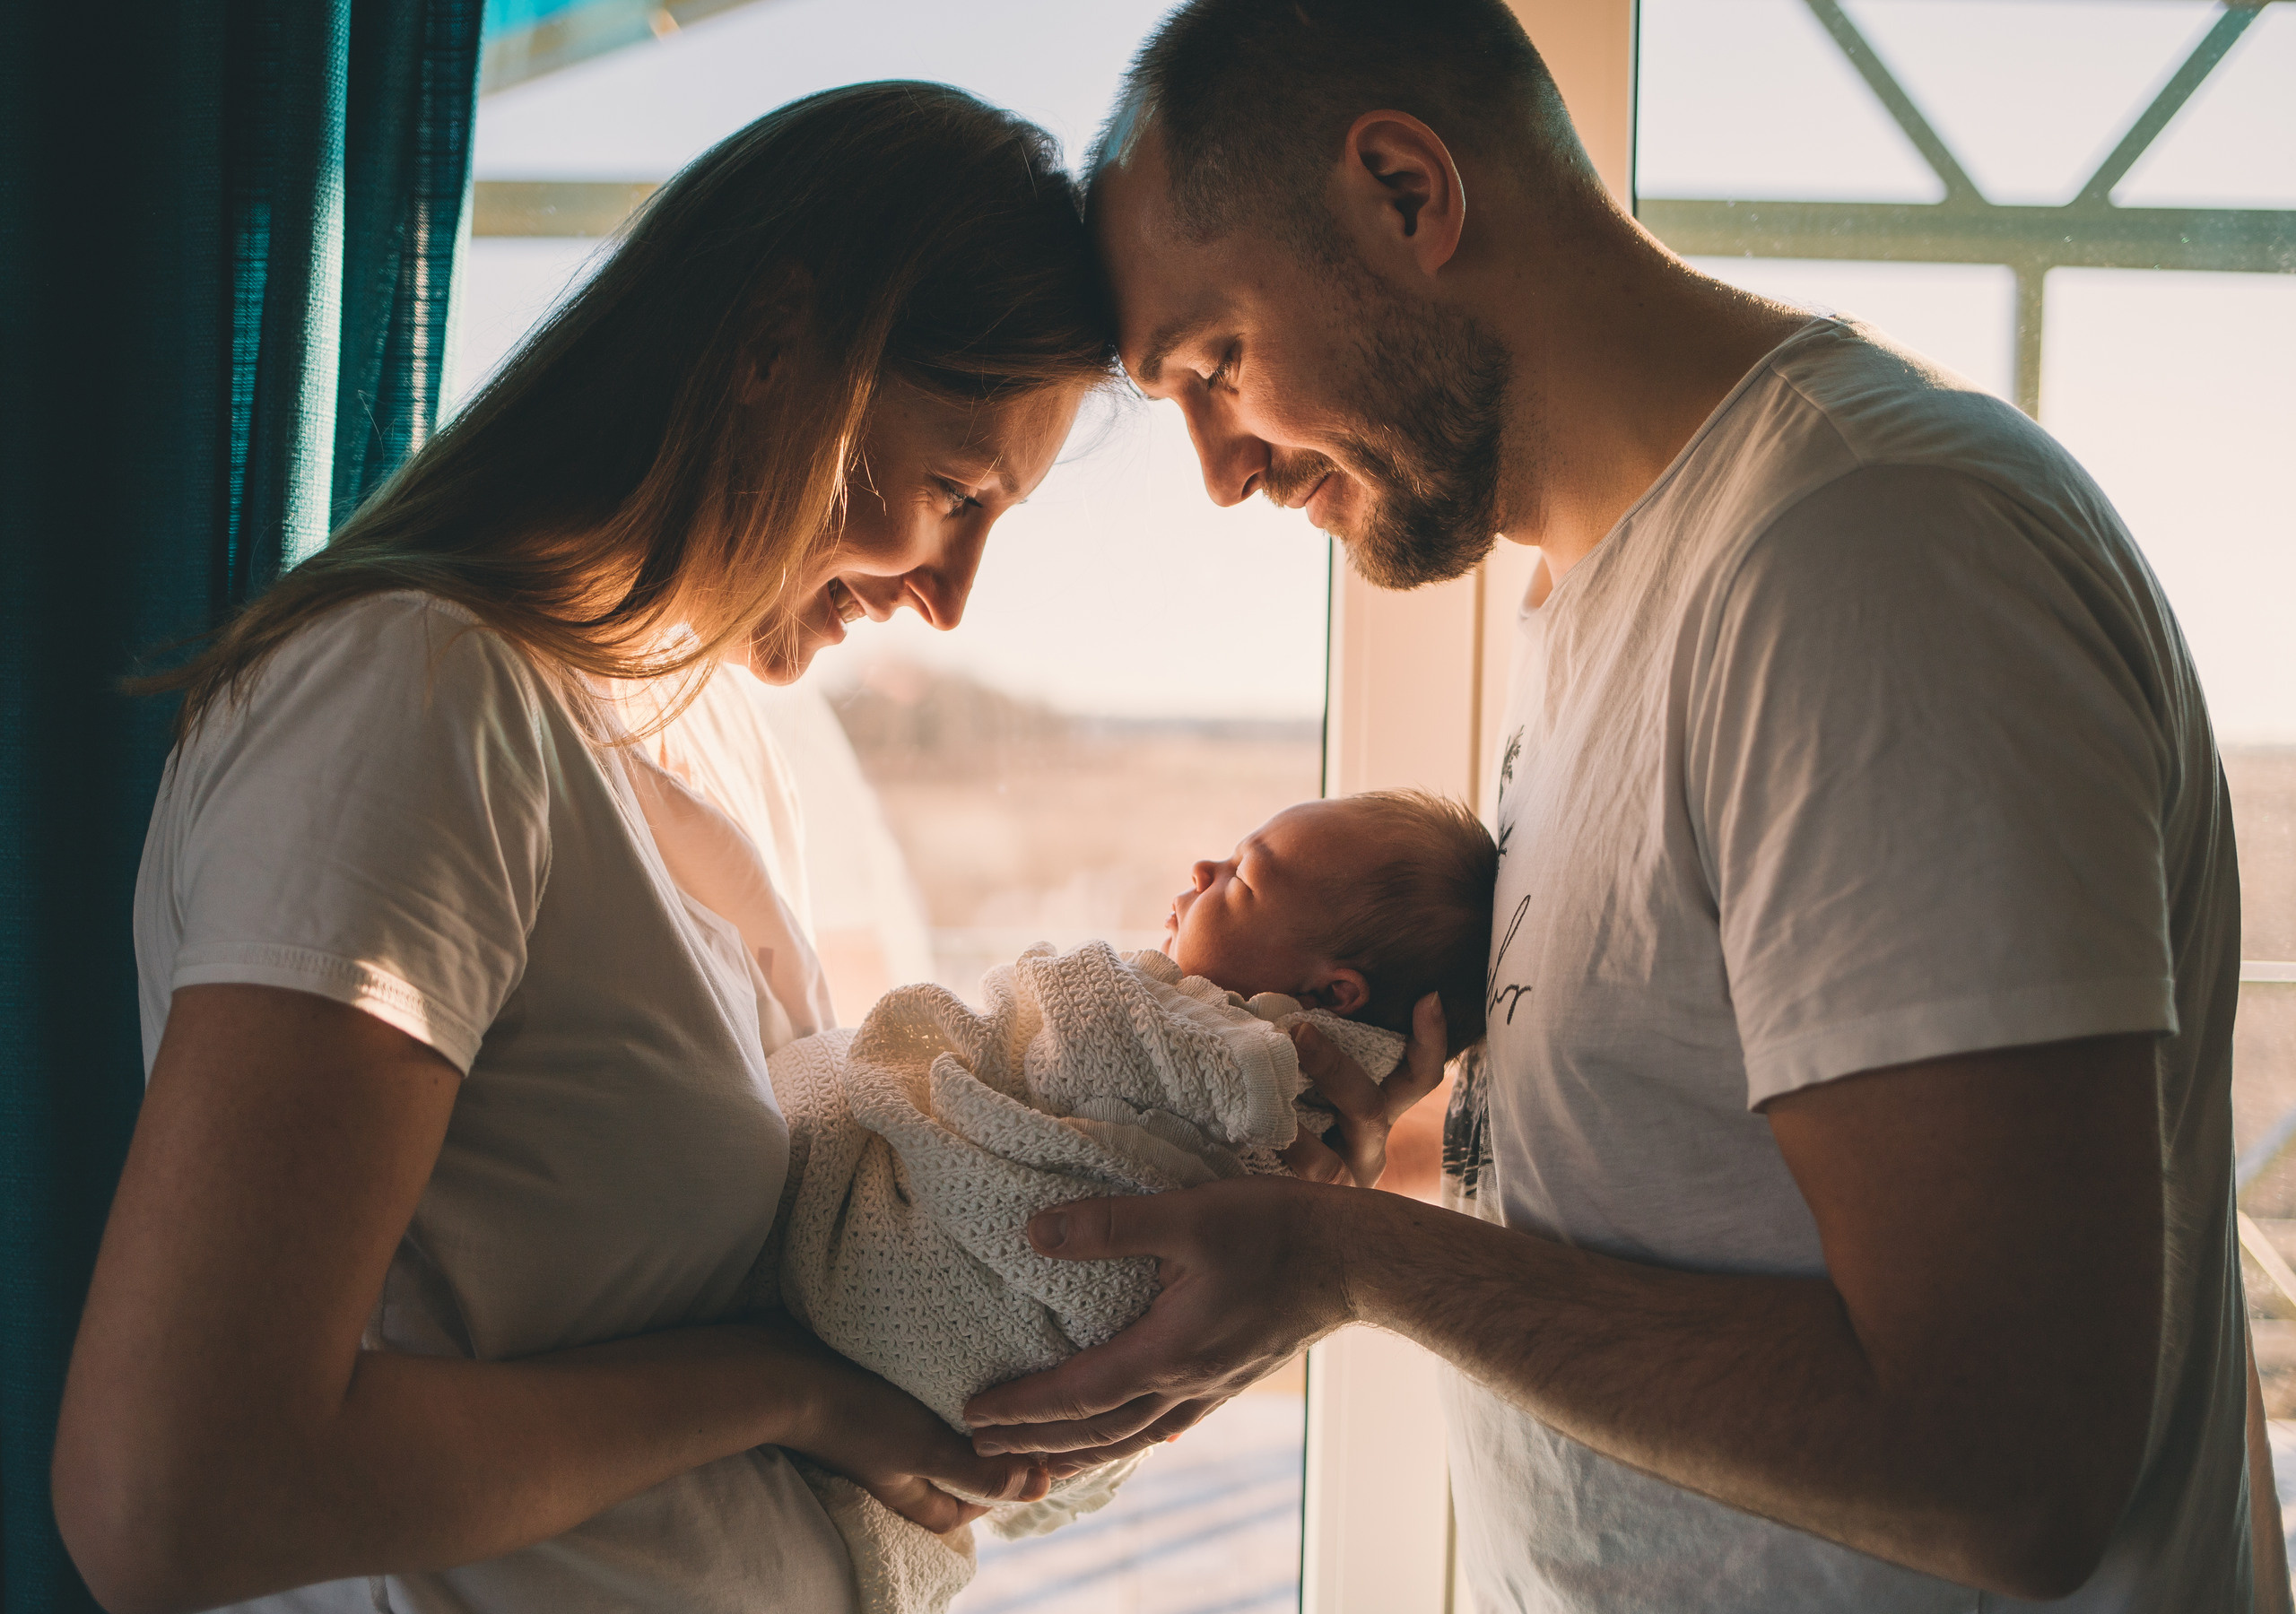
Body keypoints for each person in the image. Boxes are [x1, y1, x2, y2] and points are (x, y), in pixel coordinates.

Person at [960, 3, 2281, 1610]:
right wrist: (1336, 1158)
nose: (1221, 470)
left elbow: (2008, 1462)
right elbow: (1686, 1157)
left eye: (1217, 363)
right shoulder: (1607, 593)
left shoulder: (1866, 557)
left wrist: (1344, 1265)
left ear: (1405, 194)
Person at [52, 82, 1118, 1614]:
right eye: (954, 491)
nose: (950, 598)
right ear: (775, 348)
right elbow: (176, 1497)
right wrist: (783, 1391)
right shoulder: (413, 699)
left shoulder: (707, 721)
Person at [761, 787, 1493, 1611]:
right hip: (985, 1423)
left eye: (1246, 878)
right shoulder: (1311, 1137)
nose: (1204, 869)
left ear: (1333, 997)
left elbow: (1062, 1019)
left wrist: (1083, 985)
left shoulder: (1222, 1055)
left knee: (835, 1089)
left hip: (919, 1296)